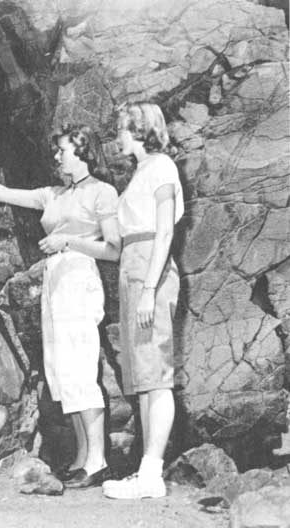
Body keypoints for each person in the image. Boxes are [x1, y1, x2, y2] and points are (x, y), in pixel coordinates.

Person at [0, 124, 121, 489]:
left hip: (79, 277)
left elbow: (114, 248)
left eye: (63, 150)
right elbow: (1, 192)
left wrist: (67, 241)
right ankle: (82, 457)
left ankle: (98, 460)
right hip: (55, 280)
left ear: (82, 151)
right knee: (62, 372)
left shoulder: (102, 192)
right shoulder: (54, 194)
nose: (58, 156)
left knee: (80, 369)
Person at [102, 103, 184, 499]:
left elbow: (165, 232)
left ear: (140, 129)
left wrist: (150, 287)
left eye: (122, 128)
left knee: (157, 375)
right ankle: (147, 472)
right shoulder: (140, 172)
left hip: (151, 268)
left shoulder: (163, 166)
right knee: (145, 379)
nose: (117, 135)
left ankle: (153, 473)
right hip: (132, 267)